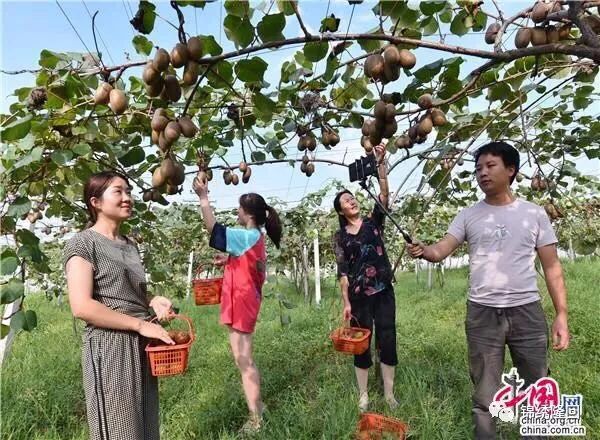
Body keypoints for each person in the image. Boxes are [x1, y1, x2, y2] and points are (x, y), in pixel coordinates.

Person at [407, 141, 570, 439]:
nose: (482, 173)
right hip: (482, 313)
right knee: (485, 393)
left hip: (527, 312)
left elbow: (552, 267)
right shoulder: (468, 215)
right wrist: (424, 250)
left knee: (537, 385)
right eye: (478, 168)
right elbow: (441, 250)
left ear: (511, 170)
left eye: (490, 166)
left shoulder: (533, 214)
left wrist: (561, 314)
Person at [64, 171, 176, 440]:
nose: (127, 198)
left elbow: (130, 292)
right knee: (119, 431)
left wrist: (153, 301)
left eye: (128, 191)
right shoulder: (83, 243)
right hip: (110, 346)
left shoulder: (130, 245)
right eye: (118, 192)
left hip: (141, 345)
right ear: (96, 202)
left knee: (146, 429)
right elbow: (81, 306)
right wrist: (139, 324)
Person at [193, 173, 283, 434]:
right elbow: (251, 266)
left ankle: (256, 419)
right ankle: (259, 406)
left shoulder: (247, 236)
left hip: (242, 302)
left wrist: (203, 198)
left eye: (239, 209)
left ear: (248, 214)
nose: (237, 212)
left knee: (244, 361)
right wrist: (229, 261)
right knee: (243, 358)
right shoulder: (255, 238)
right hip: (245, 301)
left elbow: (213, 229)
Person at [333, 144, 398, 412]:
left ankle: (389, 394)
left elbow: (383, 195)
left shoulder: (373, 222)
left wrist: (381, 166)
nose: (352, 200)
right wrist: (346, 302)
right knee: (361, 344)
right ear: (340, 211)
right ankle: (363, 395)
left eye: (352, 197)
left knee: (388, 338)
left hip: (383, 291)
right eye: (346, 200)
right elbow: (343, 272)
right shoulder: (340, 237)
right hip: (359, 296)